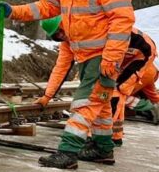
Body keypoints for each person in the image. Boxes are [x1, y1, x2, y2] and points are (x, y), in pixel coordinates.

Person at [0, 0, 135, 169]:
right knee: (100, 105)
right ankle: (103, 149)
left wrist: (111, 57)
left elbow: (122, 20)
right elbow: (44, 7)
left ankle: (68, 153)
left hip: (102, 56)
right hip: (87, 57)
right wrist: (13, 11)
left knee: (84, 103)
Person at [36, 17, 156, 152]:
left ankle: (107, 138)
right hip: (118, 55)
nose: (61, 36)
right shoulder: (68, 44)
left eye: (61, 31)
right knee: (105, 92)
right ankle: (114, 136)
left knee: (116, 90)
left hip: (140, 53)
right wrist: (47, 95)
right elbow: (61, 68)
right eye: (56, 35)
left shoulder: (93, 30)